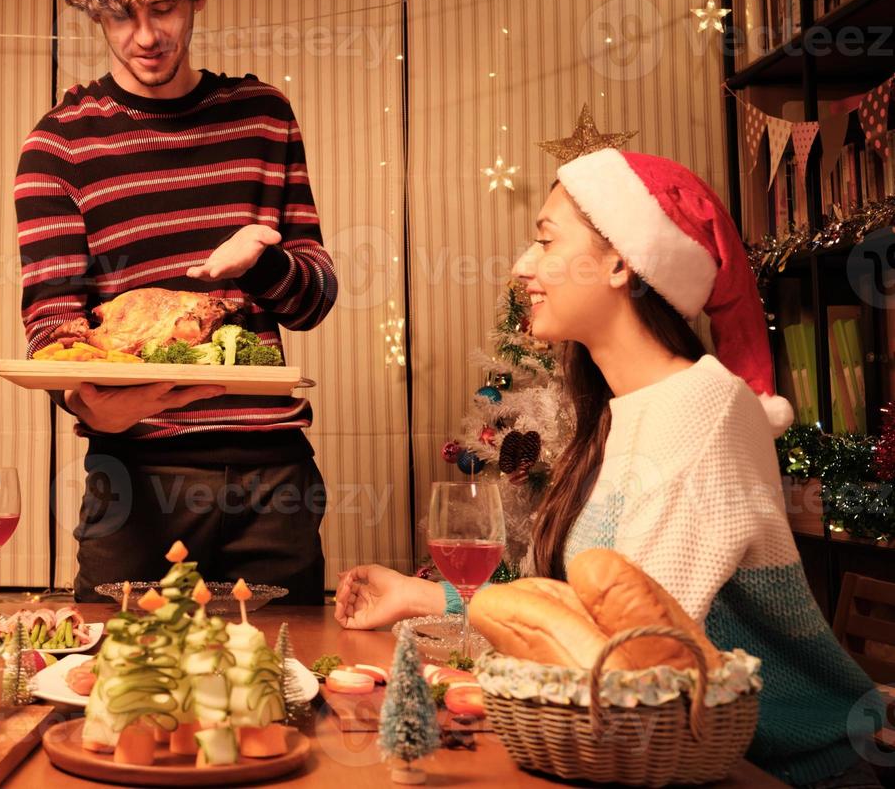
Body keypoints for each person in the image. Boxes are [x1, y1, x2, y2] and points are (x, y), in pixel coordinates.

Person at [335, 149, 883, 787]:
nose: (522, 267)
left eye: (545, 241)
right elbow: (567, 610)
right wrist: (420, 595)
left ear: (624, 261)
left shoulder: (703, 410)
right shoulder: (620, 415)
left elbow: (625, 654)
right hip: (675, 759)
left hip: (781, 772)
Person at [15, 0, 337, 603]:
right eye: (121, 16)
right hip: (136, 477)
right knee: (119, 689)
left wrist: (265, 265)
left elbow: (315, 298)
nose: (146, 36)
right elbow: (52, 328)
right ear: (94, 11)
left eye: (163, 7)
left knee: (277, 686)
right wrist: (86, 401)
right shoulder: (58, 145)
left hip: (272, 478)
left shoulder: (263, 117)